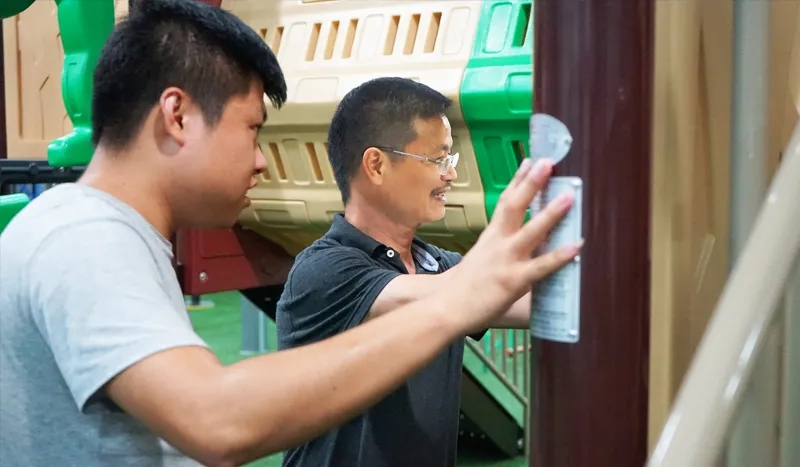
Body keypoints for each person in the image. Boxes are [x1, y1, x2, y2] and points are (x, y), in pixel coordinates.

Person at [0, 2, 580, 467]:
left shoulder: (110, 236)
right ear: (177, 116)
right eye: (251, 129)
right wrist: (457, 302)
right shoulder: (84, 237)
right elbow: (216, 420)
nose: (259, 160)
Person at [275, 77, 581, 467]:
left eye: (450, 159)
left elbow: (540, 301)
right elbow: (447, 296)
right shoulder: (324, 270)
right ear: (376, 165)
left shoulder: (436, 265)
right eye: (438, 160)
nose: (449, 175)